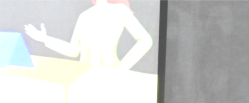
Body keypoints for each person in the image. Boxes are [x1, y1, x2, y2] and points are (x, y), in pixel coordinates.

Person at [24, 0, 153, 71]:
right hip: (84, 76)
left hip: (111, 74)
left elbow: (145, 40)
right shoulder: (84, 16)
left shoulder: (120, 10)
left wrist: (121, 69)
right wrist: (45, 39)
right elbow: (74, 50)